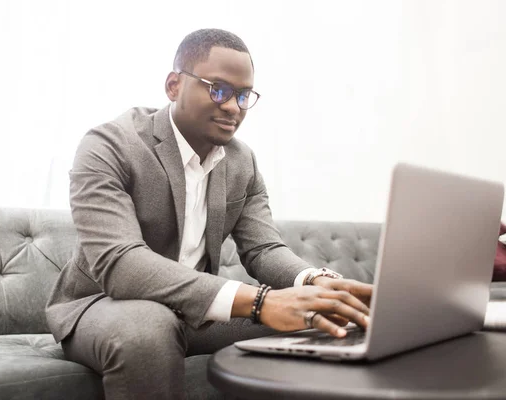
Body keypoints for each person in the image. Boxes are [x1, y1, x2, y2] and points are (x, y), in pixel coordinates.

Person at [46, 28, 373, 399]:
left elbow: (263, 248)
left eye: (243, 95)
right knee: (148, 328)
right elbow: (121, 263)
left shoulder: (241, 161)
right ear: (173, 85)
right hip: (102, 305)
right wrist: (261, 302)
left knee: (331, 318)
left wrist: (314, 281)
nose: (233, 106)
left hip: (194, 310)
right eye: (217, 89)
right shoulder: (110, 145)